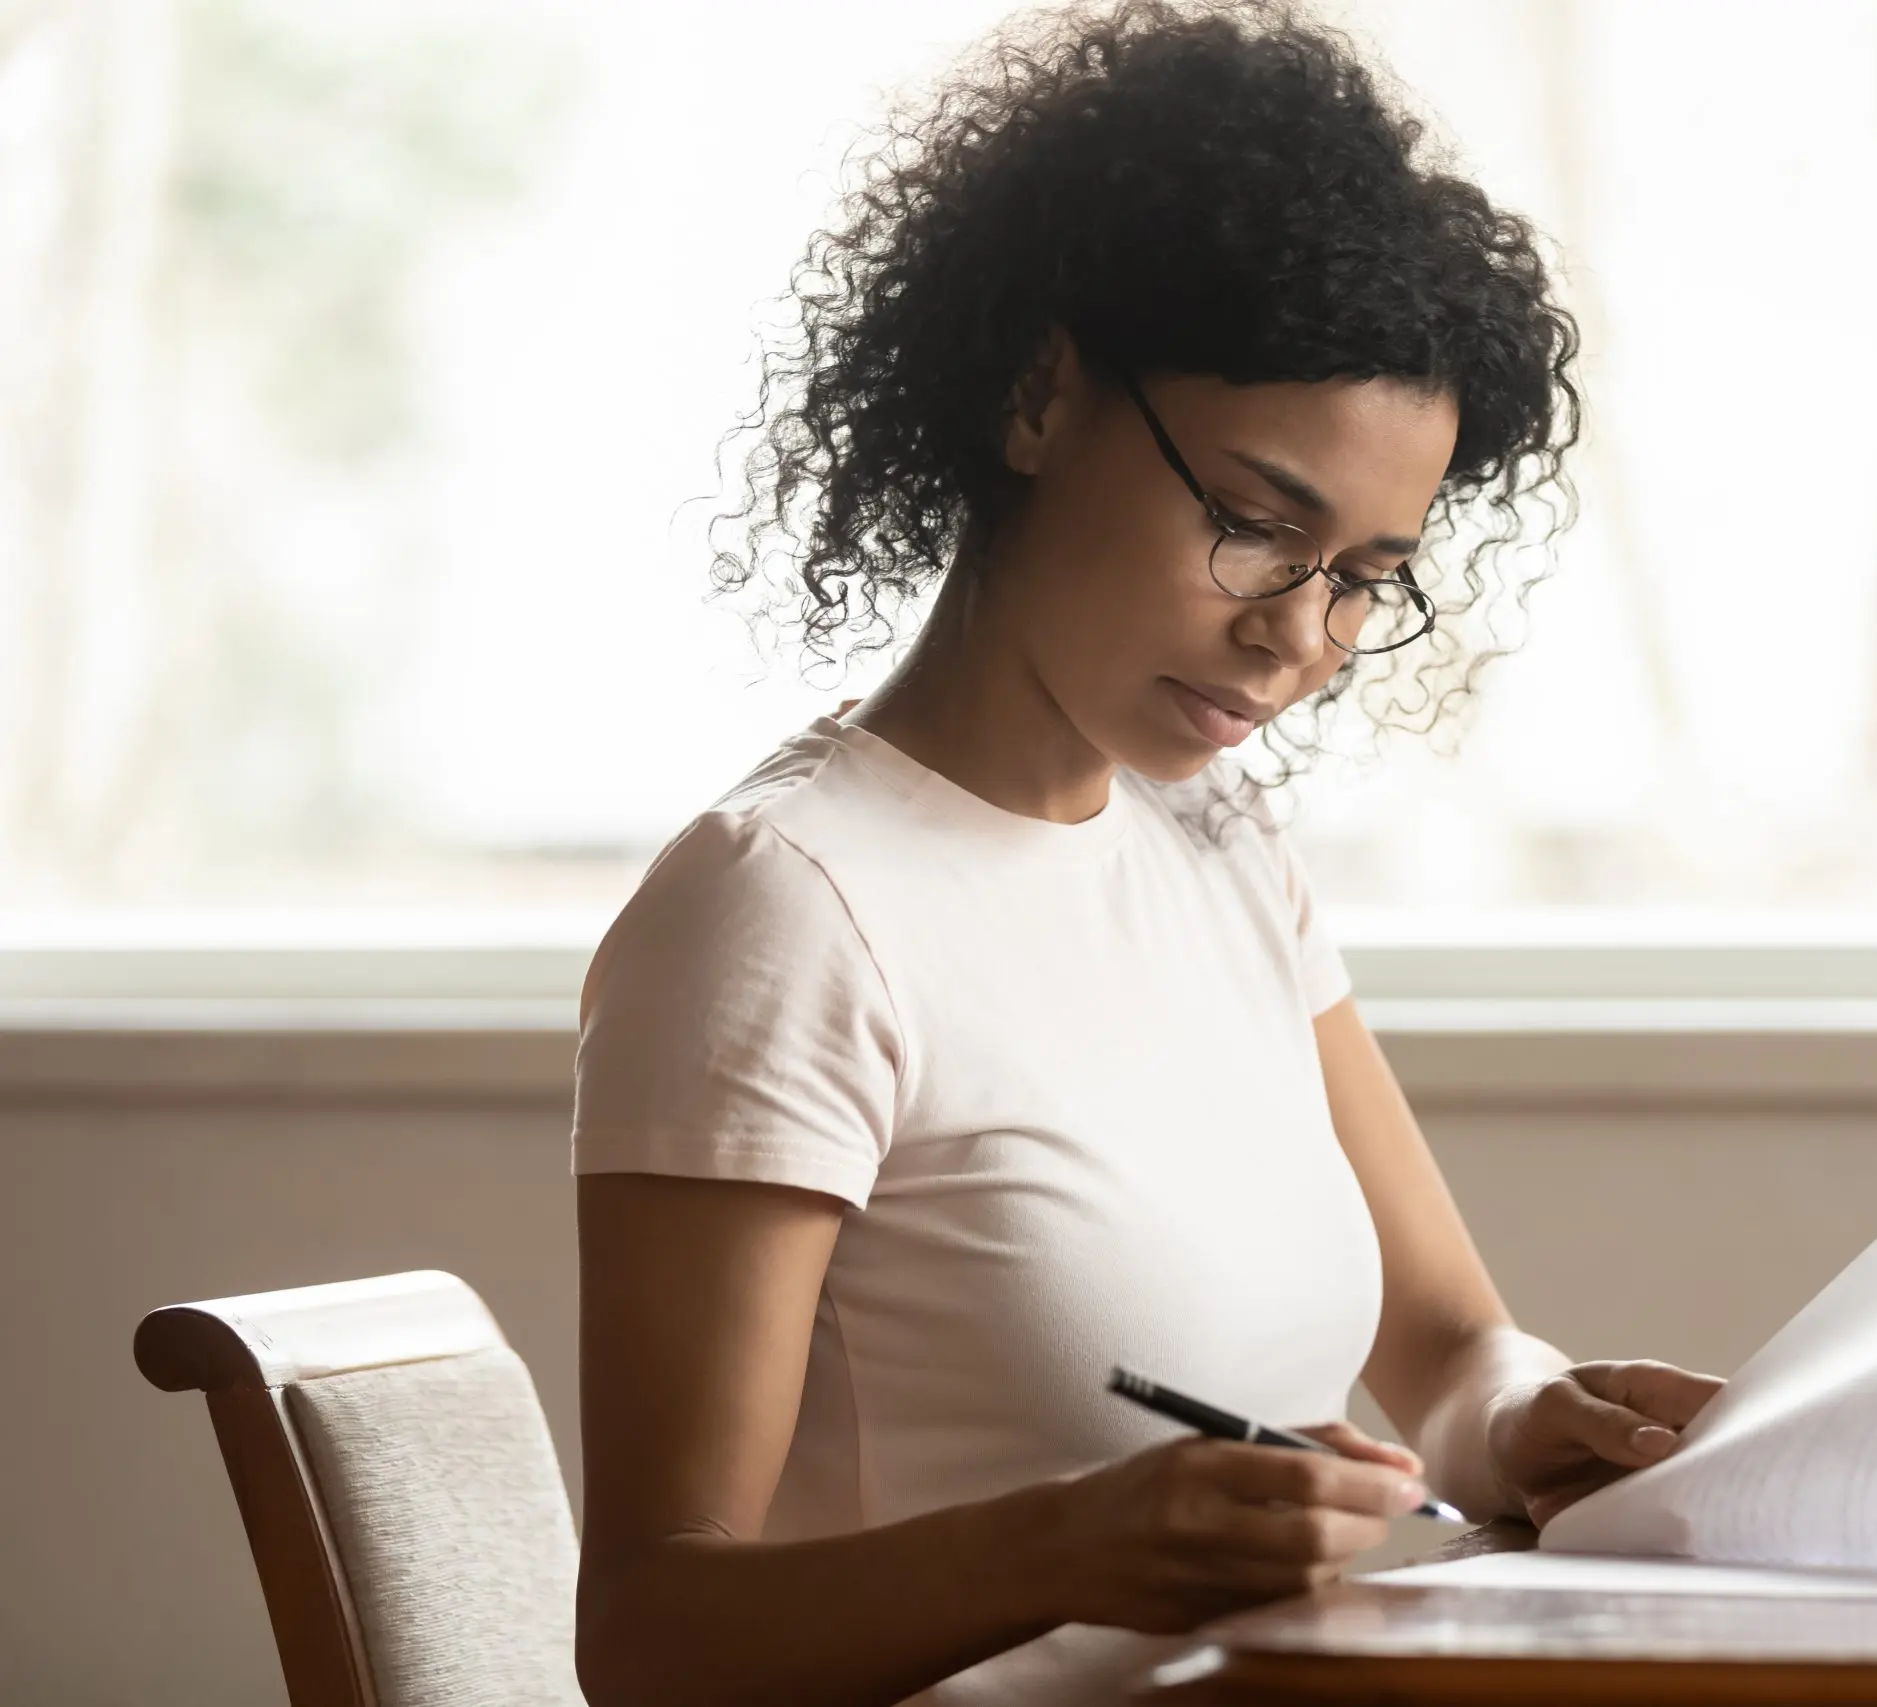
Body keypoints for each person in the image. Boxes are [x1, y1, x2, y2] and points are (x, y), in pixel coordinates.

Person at [569, 3, 1720, 1702]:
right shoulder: (787, 909)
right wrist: (1076, 1543)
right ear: (1040, 395)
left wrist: (1537, 1422)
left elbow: (1451, 1348)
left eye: (1363, 574)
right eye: (1255, 525)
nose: (1303, 639)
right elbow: (655, 1639)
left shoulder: (1218, 847)